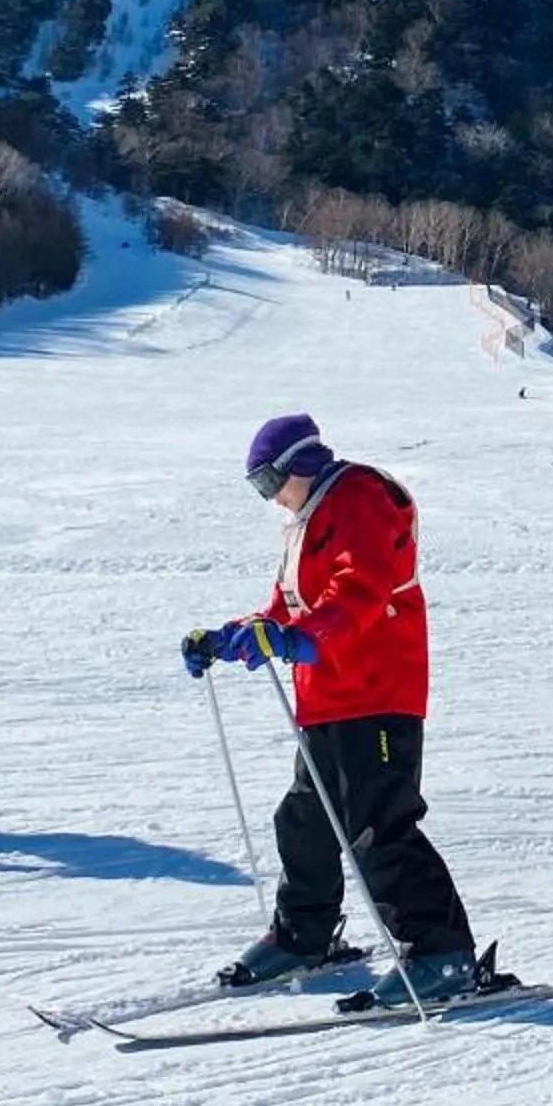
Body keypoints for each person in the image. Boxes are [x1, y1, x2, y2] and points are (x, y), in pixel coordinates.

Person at [182, 415, 481, 1006]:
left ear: (300, 464)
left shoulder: (361, 497)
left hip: (376, 690)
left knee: (378, 828)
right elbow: (286, 607)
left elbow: (359, 590)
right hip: (326, 697)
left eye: (268, 484)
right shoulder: (307, 519)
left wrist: (301, 639)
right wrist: (232, 637)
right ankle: (304, 935)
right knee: (304, 819)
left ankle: (444, 953)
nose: (269, 500)